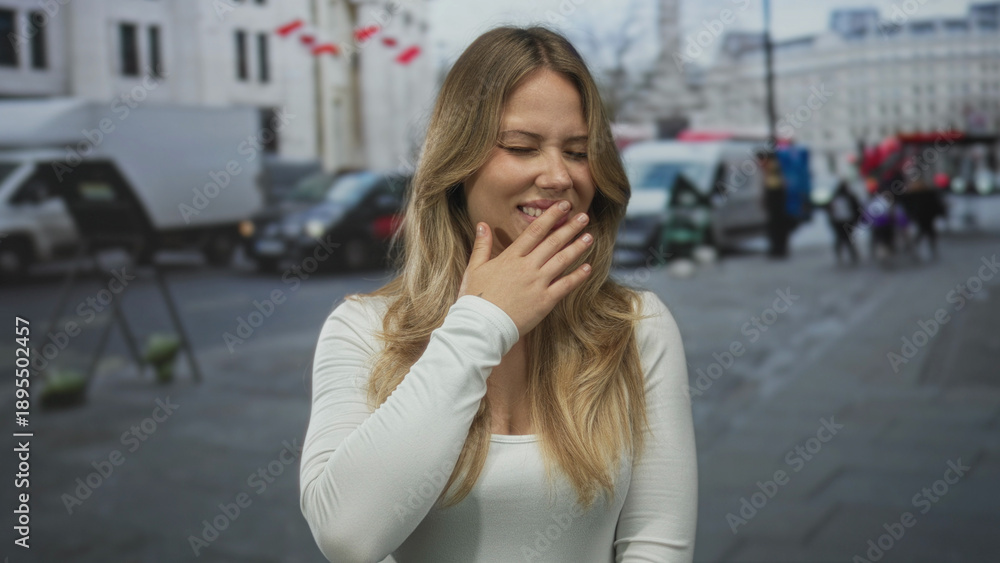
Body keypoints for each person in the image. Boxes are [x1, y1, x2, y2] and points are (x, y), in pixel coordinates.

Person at [299, 26, 698, 563]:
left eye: (578, 152)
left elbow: (657, 544)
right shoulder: (365, 330)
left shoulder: (638, 326)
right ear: (457, 165)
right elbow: (347, 536)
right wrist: (482, 321)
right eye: (521, 147)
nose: (558, 176)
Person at [759, 152, 790, 258]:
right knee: (777, 225)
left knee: (776, 225)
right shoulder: (775, 169)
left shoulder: (772, 172)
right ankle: (779, 248)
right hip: (777, 199)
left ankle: (778, 248)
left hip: (775, 198)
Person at [823, 179, 862, 265]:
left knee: (843, 239)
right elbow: (857, 208)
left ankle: (845, 256)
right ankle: (849, 256)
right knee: (846, 238)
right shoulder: (848, 197)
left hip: (841, 221)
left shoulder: (835, 197)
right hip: (843, 221)